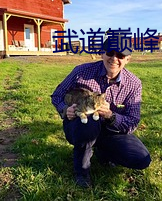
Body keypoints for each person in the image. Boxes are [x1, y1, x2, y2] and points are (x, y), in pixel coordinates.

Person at [51, 37, 151, 188]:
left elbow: (132, 121)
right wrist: (65, 110)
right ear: (102, 53)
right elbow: (57, 95)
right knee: (89, 122)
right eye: (110, 53)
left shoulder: (134, 84)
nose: (114, 59)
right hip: (80, 124)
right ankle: (82, 171)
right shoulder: (81, 71)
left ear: (128, 59)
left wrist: (111, 115)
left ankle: (102, 151)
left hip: (111, 130)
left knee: (141, 158)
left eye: (120, 55)